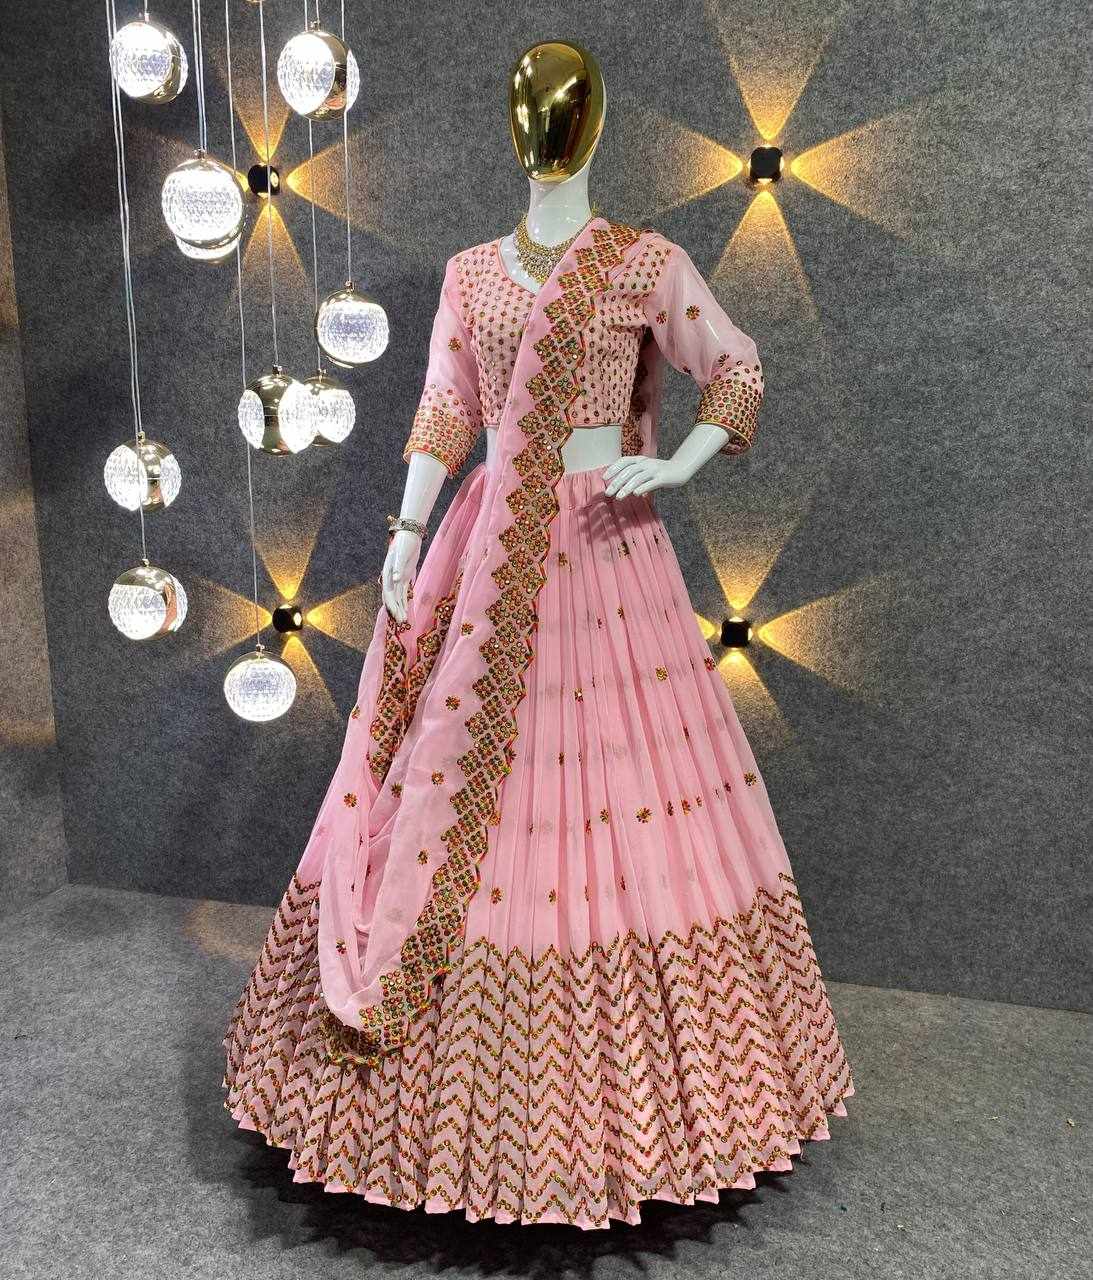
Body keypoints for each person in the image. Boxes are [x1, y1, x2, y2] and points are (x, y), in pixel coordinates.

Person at [224, 39, 853, 1229]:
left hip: (605, 545)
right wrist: (406, 531)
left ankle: (641, 1112)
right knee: (461, 775)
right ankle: (435, 1108)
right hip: (487, 543)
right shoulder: (470, 274)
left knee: (616, 796)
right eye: (526, 107)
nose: (543, 127)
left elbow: (735, 369)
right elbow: (445, 405)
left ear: (592, 128)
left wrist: (674, 463)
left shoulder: (643, 262)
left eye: (561, 109)